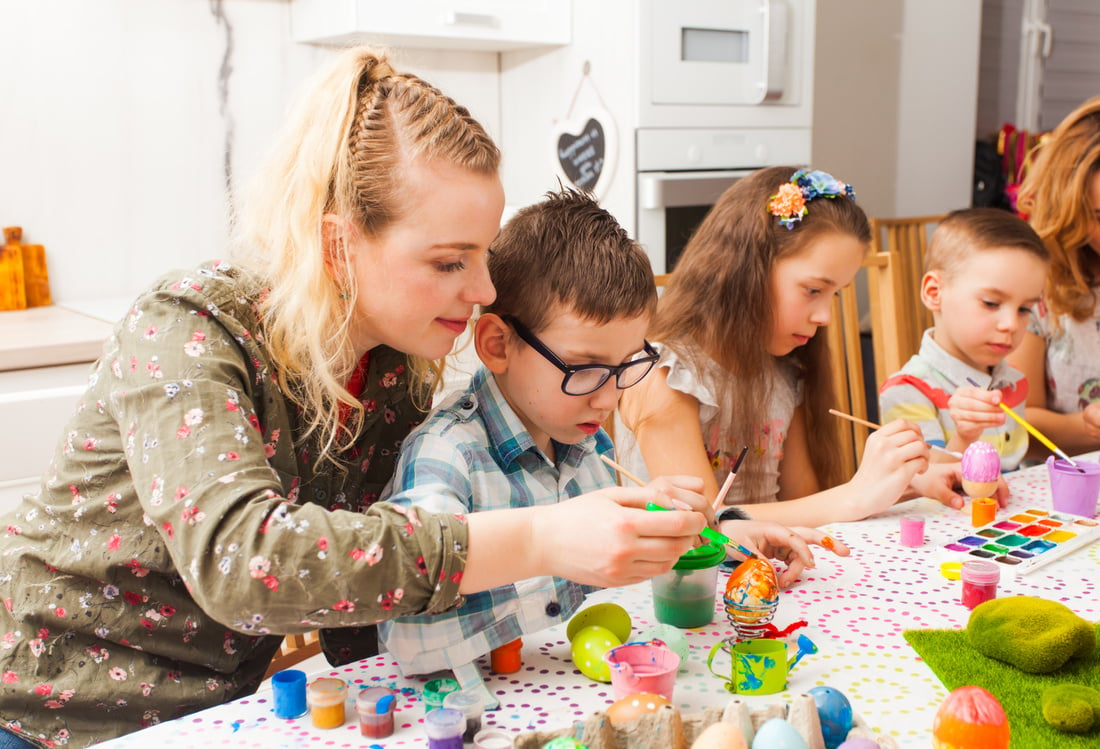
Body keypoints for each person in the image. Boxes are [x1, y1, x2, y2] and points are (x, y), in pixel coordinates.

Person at [0, 49, 708, 749]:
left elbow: (368, 593)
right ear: (339, 246)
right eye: (447, 261)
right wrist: (542, 537)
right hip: (44, 715)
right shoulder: (189, 329)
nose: (486, 290)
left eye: (483, 254)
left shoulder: (394, 368)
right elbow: (246, 563)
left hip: (216, 717)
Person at [375, 189, 842, 699]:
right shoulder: (447, 454)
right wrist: (567, 568)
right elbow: (406, 637)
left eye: (625, 367)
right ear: (497, 344)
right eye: (586, 368)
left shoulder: (583, 441)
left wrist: (723, 535)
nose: (609, 396)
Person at [616, 166, 966, 529]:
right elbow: (700, 525)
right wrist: (855, 495)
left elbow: (805, 504)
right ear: (745, 270)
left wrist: (902, 486)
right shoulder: (663, 375)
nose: (826, 317)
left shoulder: (783, 371)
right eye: (814, 290)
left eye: (836, 294)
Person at [879, 208, 1050, 471]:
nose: (1011, 325)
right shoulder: (908, 391)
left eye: (1025, 309)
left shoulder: (1015, 384)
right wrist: (964, 437)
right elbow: (922, 482)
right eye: (991, 303)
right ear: (935, 293)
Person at [1007, 91, 1100, 455]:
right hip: (1076, 495)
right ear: (1070, 216)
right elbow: (1016, 425)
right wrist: (1089, 430)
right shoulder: (1041, 288)